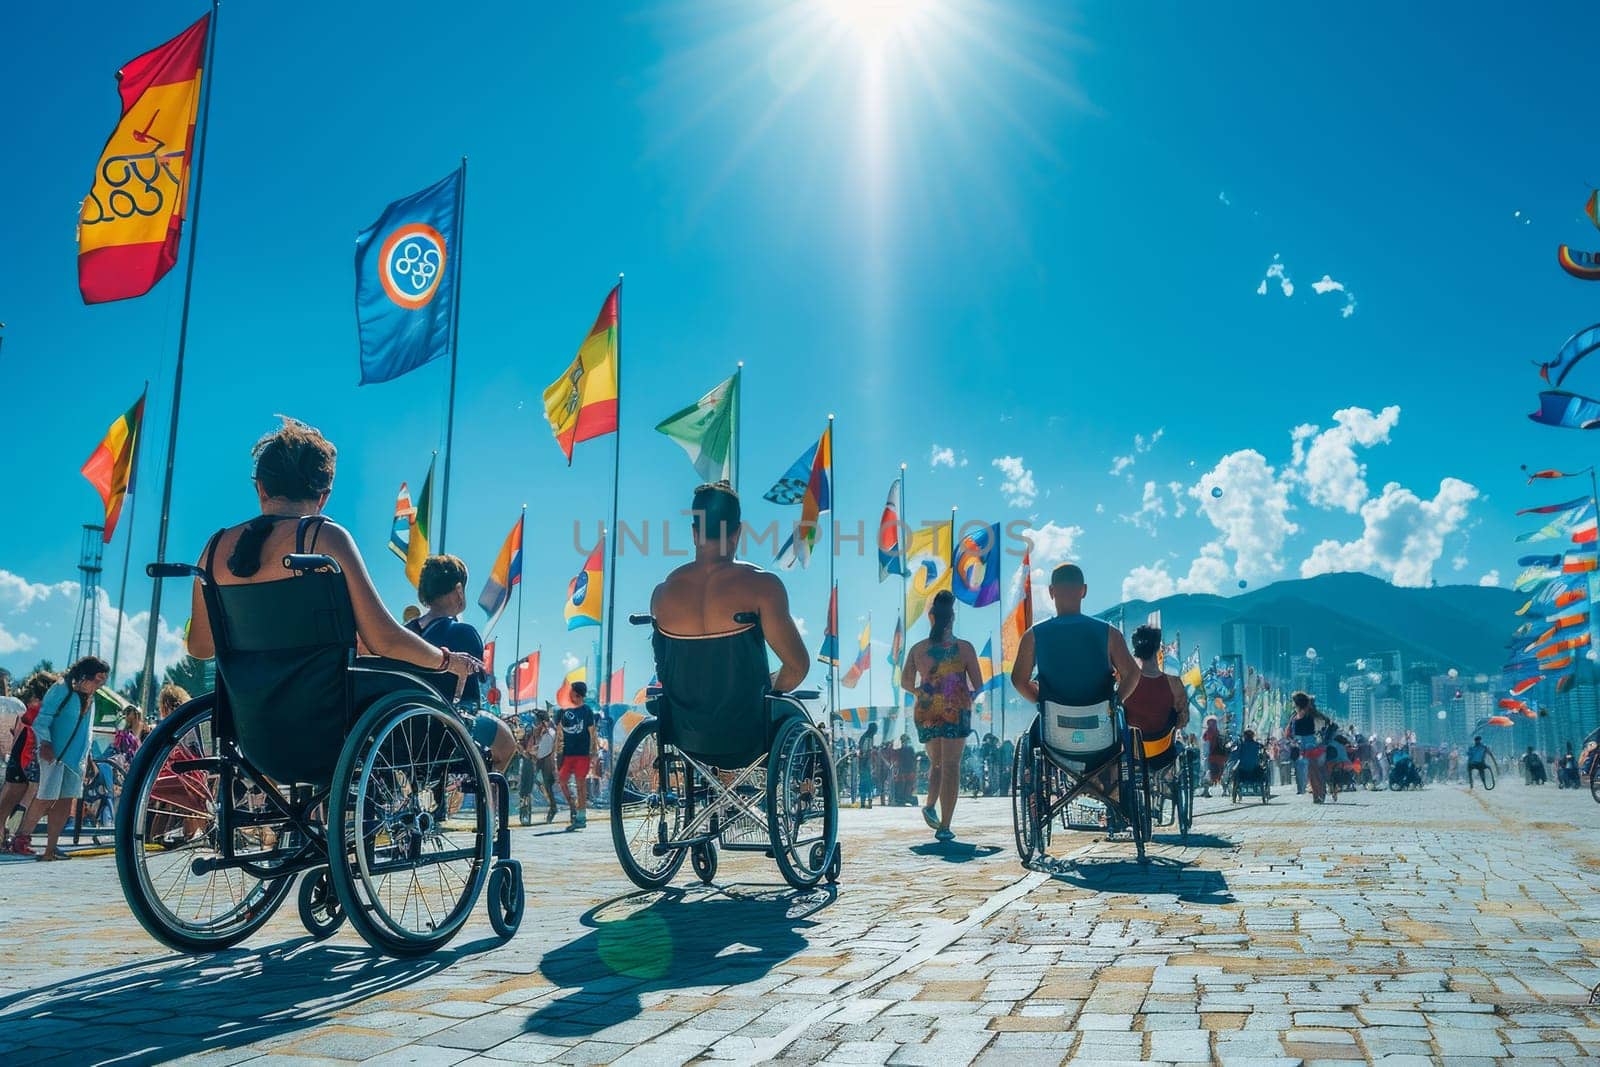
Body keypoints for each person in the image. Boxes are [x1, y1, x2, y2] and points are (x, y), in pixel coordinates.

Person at [183, 419, 484, 771]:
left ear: (261, 487)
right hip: (325, 731)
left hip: (251, 733)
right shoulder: (325, 539)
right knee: (430, 678)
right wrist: (446, 661)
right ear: (324, 496)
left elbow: (200, 647)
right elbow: (384, 639)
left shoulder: (214, 549)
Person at [1010, 563, 1143, 831]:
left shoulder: (1034, 635)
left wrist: (1040, 701)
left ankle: (1041, 805)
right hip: (1102, 736)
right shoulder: (1108, 633)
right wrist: (1116, 701)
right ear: (1083, 591)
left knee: (1034, 732)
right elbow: (1132, 674)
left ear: (1051, 592)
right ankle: (1117, 798)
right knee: (1122, 729)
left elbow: (1018, 679)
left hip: (1054, 737)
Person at [650, 481, 810, 692]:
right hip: (747, 724)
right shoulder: (764, 587)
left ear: (695, 533)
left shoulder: (661, 595)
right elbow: (797, 668)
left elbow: (665, 674)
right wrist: (760, 694)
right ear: (737, 533)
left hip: (680, 725)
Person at [405, 554, 515, 775]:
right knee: (507, 744)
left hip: (404, 730)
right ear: (458, 590)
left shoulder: (406, 633)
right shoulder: (463, 633)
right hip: (445, 730)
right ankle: (486, 800)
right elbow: (471, 701)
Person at [901, 590, 983, 843]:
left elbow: (905, 682)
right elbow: (978, 684)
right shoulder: (964, 648)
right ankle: (945, 825)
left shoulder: (918, 649)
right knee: (950, 765)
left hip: (926, 708)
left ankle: (929, 805)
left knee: (936, 761)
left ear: (931, 618)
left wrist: (923, 690)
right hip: (954, 707)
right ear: (952, 619)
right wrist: (957, 692)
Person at [9, 657, 110, 859]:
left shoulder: (91, 699)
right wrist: (45, 743)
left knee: (66, 801)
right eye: (97, 680)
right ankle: (21, 838)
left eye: (103, 681)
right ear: (84, 675)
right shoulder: (61, 689)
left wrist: (88, 759)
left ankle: (51, 847)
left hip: (75, 760)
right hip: (53, 755)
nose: (99, 686)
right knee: (46, 797)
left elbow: (86, 732)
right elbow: (42, 720)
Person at [1123, 625, 1189, 778]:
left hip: (1132, 752)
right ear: (1158, 649)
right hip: (1162, 752)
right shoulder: (1174, 684)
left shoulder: (1125, 684)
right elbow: (1182, 721)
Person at [0, 671, 56, 850]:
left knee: (8, 798)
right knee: (25, 799)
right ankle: (14, 835)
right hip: (26, 756)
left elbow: (17, 731)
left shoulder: (30, 708)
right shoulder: (35, 709)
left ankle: (6, 835)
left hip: (16, 756)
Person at [555, 682, 597, 828]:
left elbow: (592, 732)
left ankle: (581, 816)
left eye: (571, 692)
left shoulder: (587, 711)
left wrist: (594, 752)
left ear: (577, 694)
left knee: (581, 785)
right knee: (562, 781)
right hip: (566, 754)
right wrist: (556, 752)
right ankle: (572, 804)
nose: (569, 695)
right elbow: (558, 733)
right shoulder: (563, 711)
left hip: (582, 754)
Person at [1288, 692, 1330, 802]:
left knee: (1313, 771)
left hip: (1312, 746)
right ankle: (1318, 793)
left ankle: (1319, 794)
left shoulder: (1310, 713)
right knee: (1310, 772)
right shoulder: (1294, 715)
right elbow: (1289, 732)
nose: (1293, 704)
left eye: (1294, 702)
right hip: (1302, 747)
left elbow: (1326, 721)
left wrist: (1321, 733)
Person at [857, 722, 878, 809]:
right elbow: (866, 751)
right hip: (865, 764)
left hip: (865, 764)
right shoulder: (868, 738)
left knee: (865, 783)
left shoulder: (866, 737)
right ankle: (866, 803)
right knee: (867, 784)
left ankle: (865, 803)